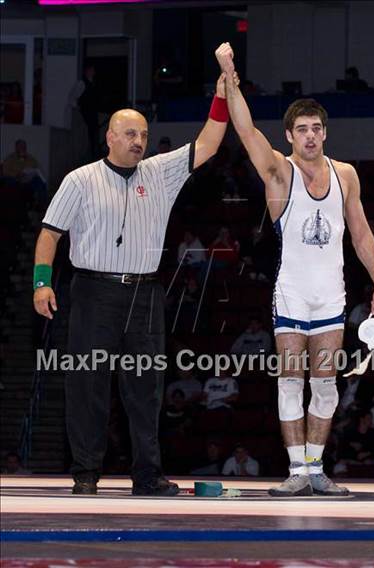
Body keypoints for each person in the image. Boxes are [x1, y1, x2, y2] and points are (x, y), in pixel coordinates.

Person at [33, 56, 234, 496]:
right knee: (87, 384)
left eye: (143, 134)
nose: (139, 140)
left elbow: (209, 144)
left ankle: (147, 476)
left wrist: (219, 98)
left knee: (146, 389)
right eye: (130, 133)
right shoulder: (80, 180)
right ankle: (86, 474)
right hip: (92, 292)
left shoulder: (160, 173)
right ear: (109, 136)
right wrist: (41, 282)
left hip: (144, 294)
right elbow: (50, 234)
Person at [216, 43, 374, 496]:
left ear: (325, 134)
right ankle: (296, 471)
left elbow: (362, 233)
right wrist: (230, 74)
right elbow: (246, 129)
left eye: (316, 128)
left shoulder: (346, 174)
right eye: (302, 130)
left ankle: (315, 469)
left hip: (331, 295)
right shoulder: (279, 173)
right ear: (289, 136)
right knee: (292, 380)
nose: (310, 136)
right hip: (291, 293)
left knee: (326, 384)